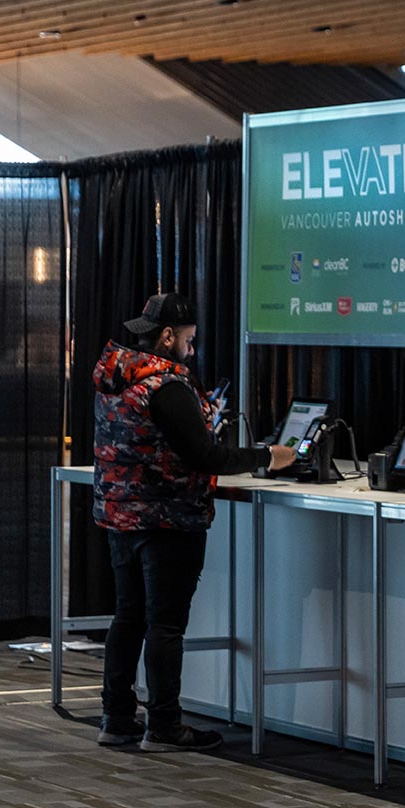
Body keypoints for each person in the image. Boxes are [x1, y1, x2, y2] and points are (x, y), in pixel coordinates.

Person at [92, 293, 296, 751]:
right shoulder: (168, 386)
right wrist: (270, 456)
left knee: (128, 617)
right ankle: (164, 726)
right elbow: (205, 455)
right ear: (167, 336)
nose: (191, 349)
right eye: (188, 340)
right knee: (165, 625)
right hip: (168, 518)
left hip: (121, 514)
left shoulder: (116, 377)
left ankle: (116, 717)